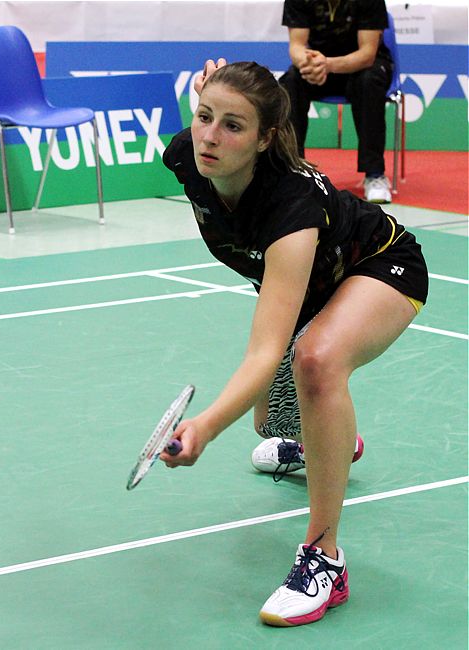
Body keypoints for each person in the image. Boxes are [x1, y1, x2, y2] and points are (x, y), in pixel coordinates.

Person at [161, 59, 427, 627]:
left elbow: (263, 354)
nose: (211, 136)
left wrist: (204, 426)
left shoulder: (290, 207)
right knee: (272, 425)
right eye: (205, 117)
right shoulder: (187, 155)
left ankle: (324, 561)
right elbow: (272, 316)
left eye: (234, 126)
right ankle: (328, 444)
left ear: (265, 139)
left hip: (379, 264)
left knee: (317, 361)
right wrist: (222, 97)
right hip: (310, 286)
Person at [278, 0, 394, 204]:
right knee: (290, 81)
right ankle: (292, 171)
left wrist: (328, 65)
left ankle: (374, 175)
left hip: (362, 67)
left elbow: (368, 54)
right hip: (319, 66)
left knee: (369, 82)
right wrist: (308, 65)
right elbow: (296, 45)